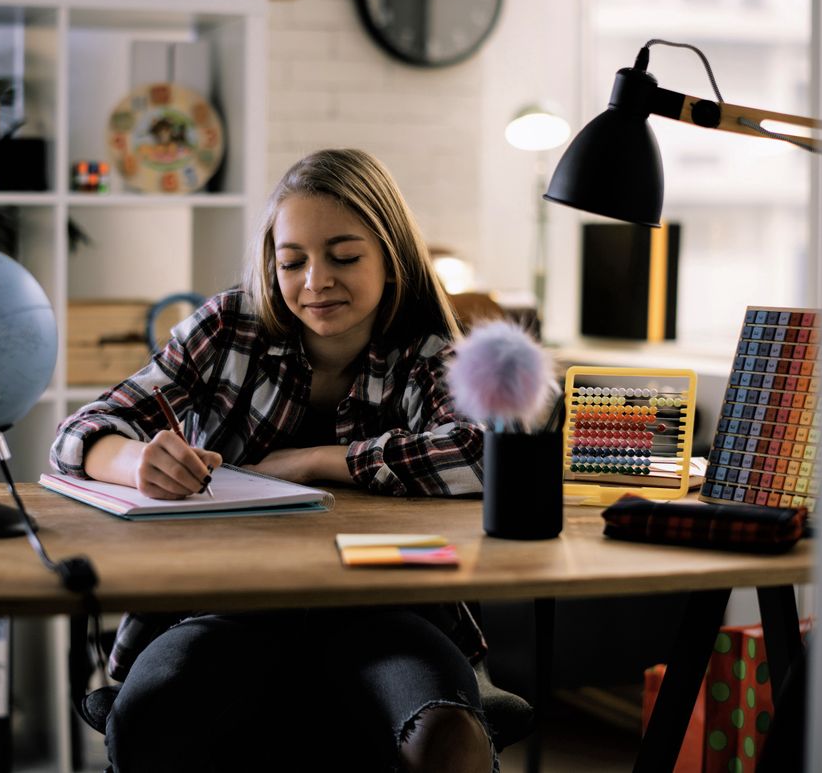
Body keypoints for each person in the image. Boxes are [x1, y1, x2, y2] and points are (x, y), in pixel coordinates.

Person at [50, 149, 492, 773]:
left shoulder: (428, 352)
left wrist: (317, 460)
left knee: (446, 739)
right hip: (222, 604)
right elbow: (78, 434)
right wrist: (131, 460)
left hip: (389, 608)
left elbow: (483, 454)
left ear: (392, 261)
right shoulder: (229, 328)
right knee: (150, 717)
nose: (316, 282)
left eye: (344, 257)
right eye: (293, 262)